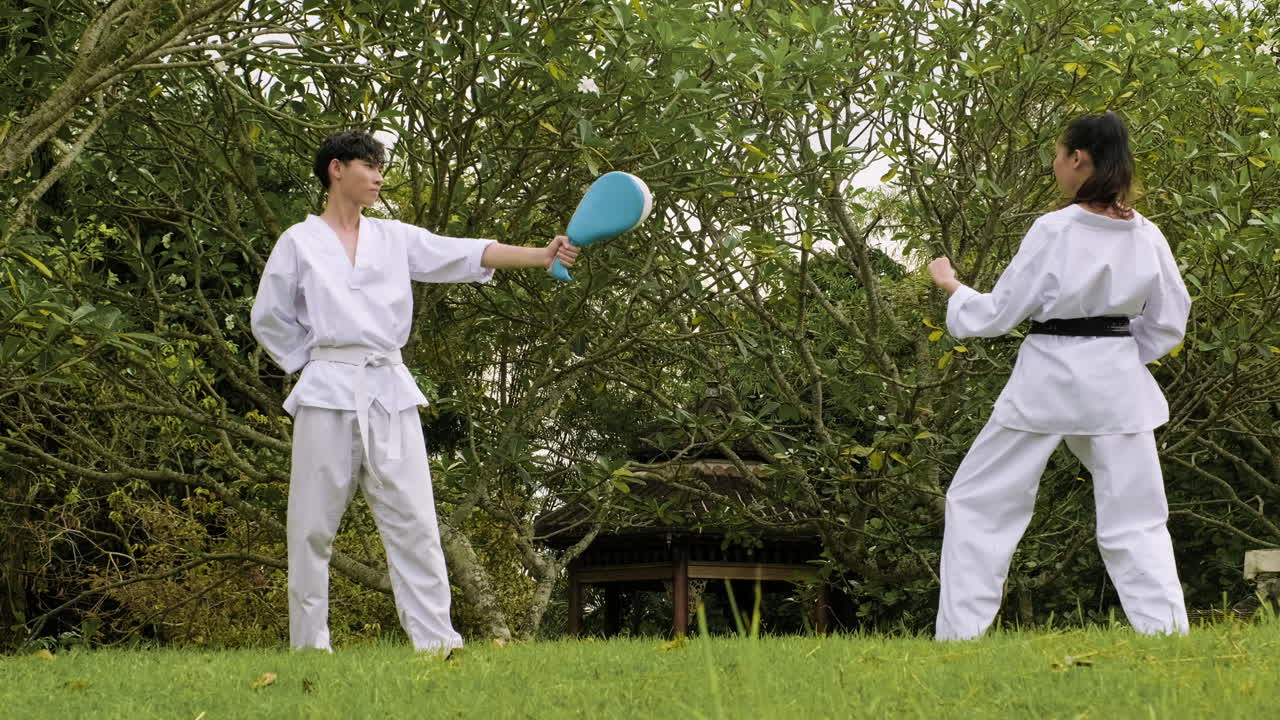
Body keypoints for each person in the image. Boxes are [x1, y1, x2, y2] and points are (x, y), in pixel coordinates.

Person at [250, 130, 579, 652]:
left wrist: (541, 255)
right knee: (310, 528)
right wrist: (313, 363)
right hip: (326, 391)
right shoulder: (299, 240)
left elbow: (467, 254)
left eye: (382, 165)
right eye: (369, 165)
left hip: (390, 391)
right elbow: (269, 318)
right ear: (337, 169)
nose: (379, 175)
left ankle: (438, 643)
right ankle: (309, 646)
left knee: (415, 520)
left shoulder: (394, 238)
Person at [926, 112, 1192, 640]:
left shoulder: (1055, 228)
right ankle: (1165, 632)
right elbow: (1168, 321)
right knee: (1137, 518)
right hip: (1117, 389)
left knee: (981, 503)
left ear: (1078, 159)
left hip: (1047, 380)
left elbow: (1001, 312)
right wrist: (1113, 357)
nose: (1054, 165)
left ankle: (959, 636)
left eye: (1057, 154)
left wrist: (953, 286)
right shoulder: (1147, 235)